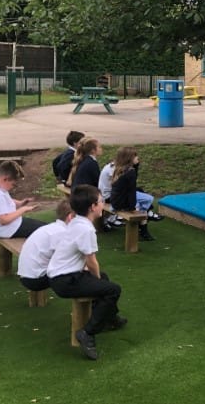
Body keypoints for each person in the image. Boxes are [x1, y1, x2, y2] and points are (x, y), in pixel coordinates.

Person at [48, 184, 126, 360]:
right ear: (92, 207)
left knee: (104, 280)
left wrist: (99, 280)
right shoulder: (86, 228)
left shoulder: (77, 222)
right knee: (113, 289)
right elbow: (91, 262)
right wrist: (98, 281)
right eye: (101, 201)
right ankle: (87, 333)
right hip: (65, 280)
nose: (103, 203)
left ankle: (110, 318)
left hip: (61, 275)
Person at [17, 200, 74, 292]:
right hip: (35, 279)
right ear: (70, 217)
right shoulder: (62, 233)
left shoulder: (51, 227)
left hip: (26, 275)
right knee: (78, 273)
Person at [109, 146, 162, 242]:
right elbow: (131, 191)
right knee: (145, 202)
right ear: (129, 158)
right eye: (135, 156)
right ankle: (143, 225)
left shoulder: (121, 168)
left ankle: (144, 220)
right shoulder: (129, 172)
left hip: (116, 200)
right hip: (121, 202)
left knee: (148, 198)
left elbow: (131, 185)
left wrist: (136, 166)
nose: (138, 158)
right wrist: (132, 208)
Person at [0, 160, 43, 239]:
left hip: (10, 225)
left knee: (44, 228)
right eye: (13, 184)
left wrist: (20, 203)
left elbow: (5, 201)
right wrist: (23, 209)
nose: (13, 188)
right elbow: (4, 220)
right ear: (5, 179)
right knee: (45, 230)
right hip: (5, 230)